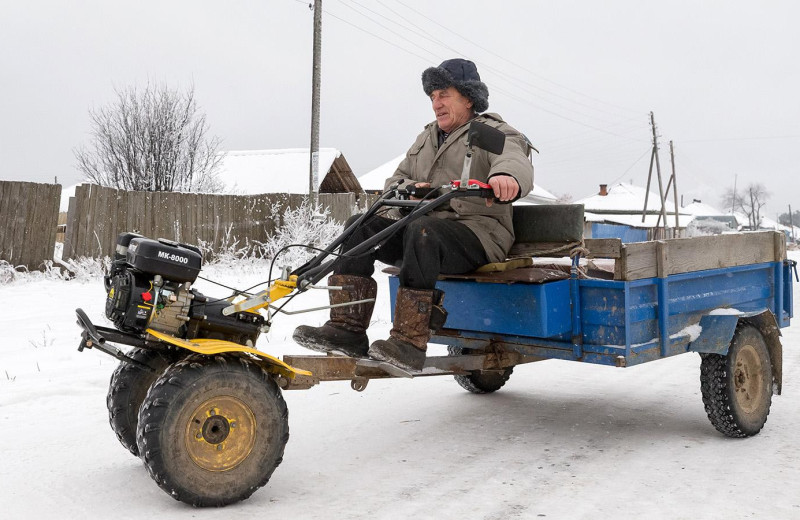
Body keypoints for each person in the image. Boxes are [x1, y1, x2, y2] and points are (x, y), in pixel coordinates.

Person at [294, 58, 534, 371]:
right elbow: (395, 180)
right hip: (423, 233)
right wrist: (410, 187)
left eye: (443, 94)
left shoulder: (493, 132)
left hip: (478, 235)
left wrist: (506, 178)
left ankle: (409, 343)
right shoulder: (426, 138)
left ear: (469, 97)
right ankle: (346, 331)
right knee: (359, 226)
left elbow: (515, 160)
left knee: (424, 230)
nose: (436, 103)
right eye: (432, 96)